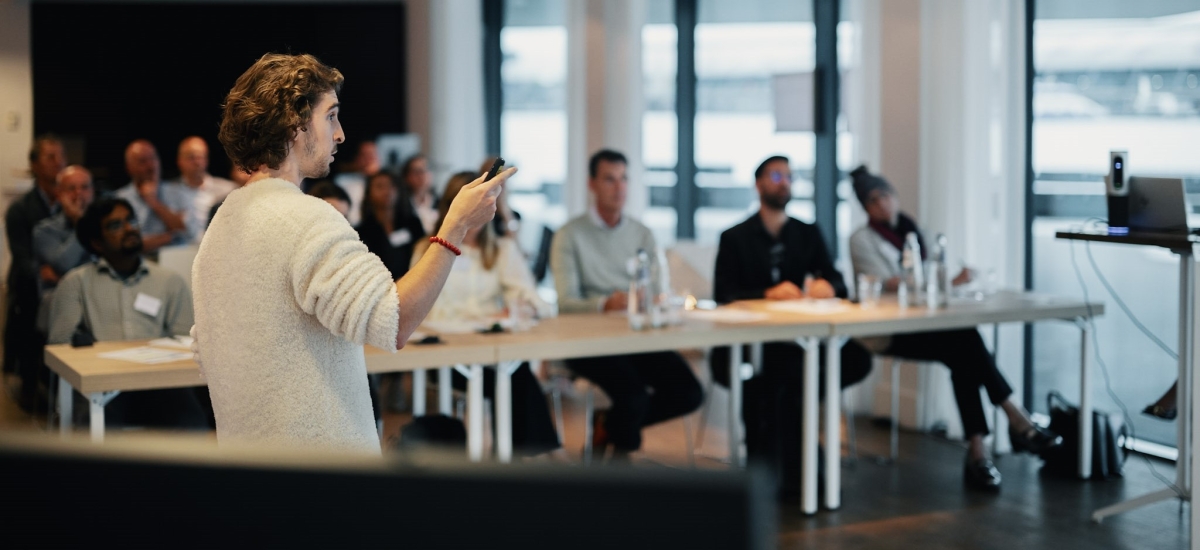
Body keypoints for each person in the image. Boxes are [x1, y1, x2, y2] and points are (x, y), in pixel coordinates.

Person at [193, 53, 514, 452]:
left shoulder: (223, 222)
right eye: (330, 116)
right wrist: (456, 227)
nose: (340, 133)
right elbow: (393, 321)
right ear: (294, 123)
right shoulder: (304, 218)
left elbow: (208, 351)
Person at [848, 164, 1062, 490]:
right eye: (872, 200)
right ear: (865, 207)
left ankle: (980, 449)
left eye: (885, 195)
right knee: (966, 343)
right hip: (887, 332)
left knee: (964, 347)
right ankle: (1014, 420)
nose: (881, 204)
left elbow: (934, 272)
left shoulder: (913, 230)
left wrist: (948, 279)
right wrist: (947, 280)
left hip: (924, 325)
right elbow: (889, 283)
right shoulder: (861, 240)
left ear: (894, 196)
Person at [712, 155, 873, 497]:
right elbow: (722, 294)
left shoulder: (807, 233)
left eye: (789, 176)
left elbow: (837, 280)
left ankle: (791, 478)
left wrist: (829, 286)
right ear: (758, 184)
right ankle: (802, 478)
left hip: (801, 344)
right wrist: (765, 293)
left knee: (841, 366)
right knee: (782, 387)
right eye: (775, 175)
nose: (784, 181)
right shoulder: (734, 237)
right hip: (752, 348)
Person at [550, 149, 703, 462]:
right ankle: (621, 471)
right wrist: (606, 303)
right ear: (592, 184)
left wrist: (652, 301)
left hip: (637, 336)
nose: (619, 188)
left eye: (624, 179)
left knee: (689, 393)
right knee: (631, 397)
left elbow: (658, 291)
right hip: (588, 341)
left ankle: (608, 426)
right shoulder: (569, 236)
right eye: (609, 179)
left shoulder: (641, 233)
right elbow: (566, 303)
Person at [410, 171, 561, 457]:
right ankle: (535, 456)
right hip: (447, 355)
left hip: (490, 352)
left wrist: (522, 305)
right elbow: (421, 309)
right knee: (516, 380)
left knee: (515, 376)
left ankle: (522, 457)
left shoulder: (502, 250)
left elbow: (532, 299)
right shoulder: (429, 251)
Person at [47, 197, 207, 428]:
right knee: (93, 429)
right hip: (103, 386)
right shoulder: (75, 283)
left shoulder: (168, 281)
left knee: (191, 423)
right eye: (115, 225)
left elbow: (187, 340)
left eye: (131, 220)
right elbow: (60, 345)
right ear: (97, 242)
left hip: (160, 384)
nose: (129, 228)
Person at [5, 134, 65, 412]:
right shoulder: (20, 209)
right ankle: (29, 388)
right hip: (31, 282)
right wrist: (41, 270)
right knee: (31, 331)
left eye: (60, 156)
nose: (58, 163)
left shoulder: (71, 200)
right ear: (35, 165)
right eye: (50, 157)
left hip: (64, 278)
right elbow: (21, 255)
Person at [33, 165, 95, 331]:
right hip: (59, 308)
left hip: (98, 303)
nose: (78, 194)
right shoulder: (44, 230)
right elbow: (64, 264)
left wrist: (62, 279)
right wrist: (80, 224)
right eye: (71, 188)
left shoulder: (103, 228)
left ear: (93, 191)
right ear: (59, 194)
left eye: (84, 187)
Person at [115, 139, 192, 253]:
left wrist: (153, 202)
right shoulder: (119, 199)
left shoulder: (176, 192)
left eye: (153, 158)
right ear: (129, 168)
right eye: (143, 161)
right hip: (136, 261)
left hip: (174, 259)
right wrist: (169, 236)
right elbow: (123, 244)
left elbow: (184, 231)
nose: (151, 166)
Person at [357, 171, 426, 280]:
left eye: (391, 185)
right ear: (369, 193)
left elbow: (423, 253)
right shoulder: (361, 231)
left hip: (413, 281)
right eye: (380, 186)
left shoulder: (412, 223)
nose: (387, 191)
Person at [173, 136, 237, 242]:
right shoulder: (168, 191)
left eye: (201, 157)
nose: (197, 162)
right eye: (191, 157)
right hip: (179, 250)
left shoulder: (227, 189)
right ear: (179, 161)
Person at [401, 153, 439, 236]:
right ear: (406, 177)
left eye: (425, 170)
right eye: (416, 171)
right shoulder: (400, 205)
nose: (421, 175)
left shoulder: (441, 202)